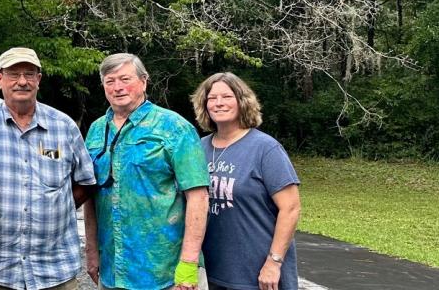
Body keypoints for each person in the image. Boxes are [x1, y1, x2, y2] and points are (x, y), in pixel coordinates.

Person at [84, 53, 209, 290]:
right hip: (114, 271)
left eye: (125, 79)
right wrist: (92, 250)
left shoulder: (175, 127)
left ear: (144, 81)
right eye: (110, 81)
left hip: (166, 273)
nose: (118, 87)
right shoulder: (96, 130)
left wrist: (189, 263)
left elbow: (198, 197)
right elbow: (91, 195)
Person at [0, 47, 97, 290]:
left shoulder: (63, 126)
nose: (22, 81)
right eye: (14, 74)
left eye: (29, 74)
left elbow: (85, 182)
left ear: (38, 80)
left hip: (54, 270)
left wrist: (54, 207)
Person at [190, 73, 301, 290]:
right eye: (212, 98)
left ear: (242, 101)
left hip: (257, 273)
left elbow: (291, 208)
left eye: (227, 96)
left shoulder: (265, 148)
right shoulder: (198, 148)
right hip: (212, 270)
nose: (219, 103)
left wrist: (274, 262)